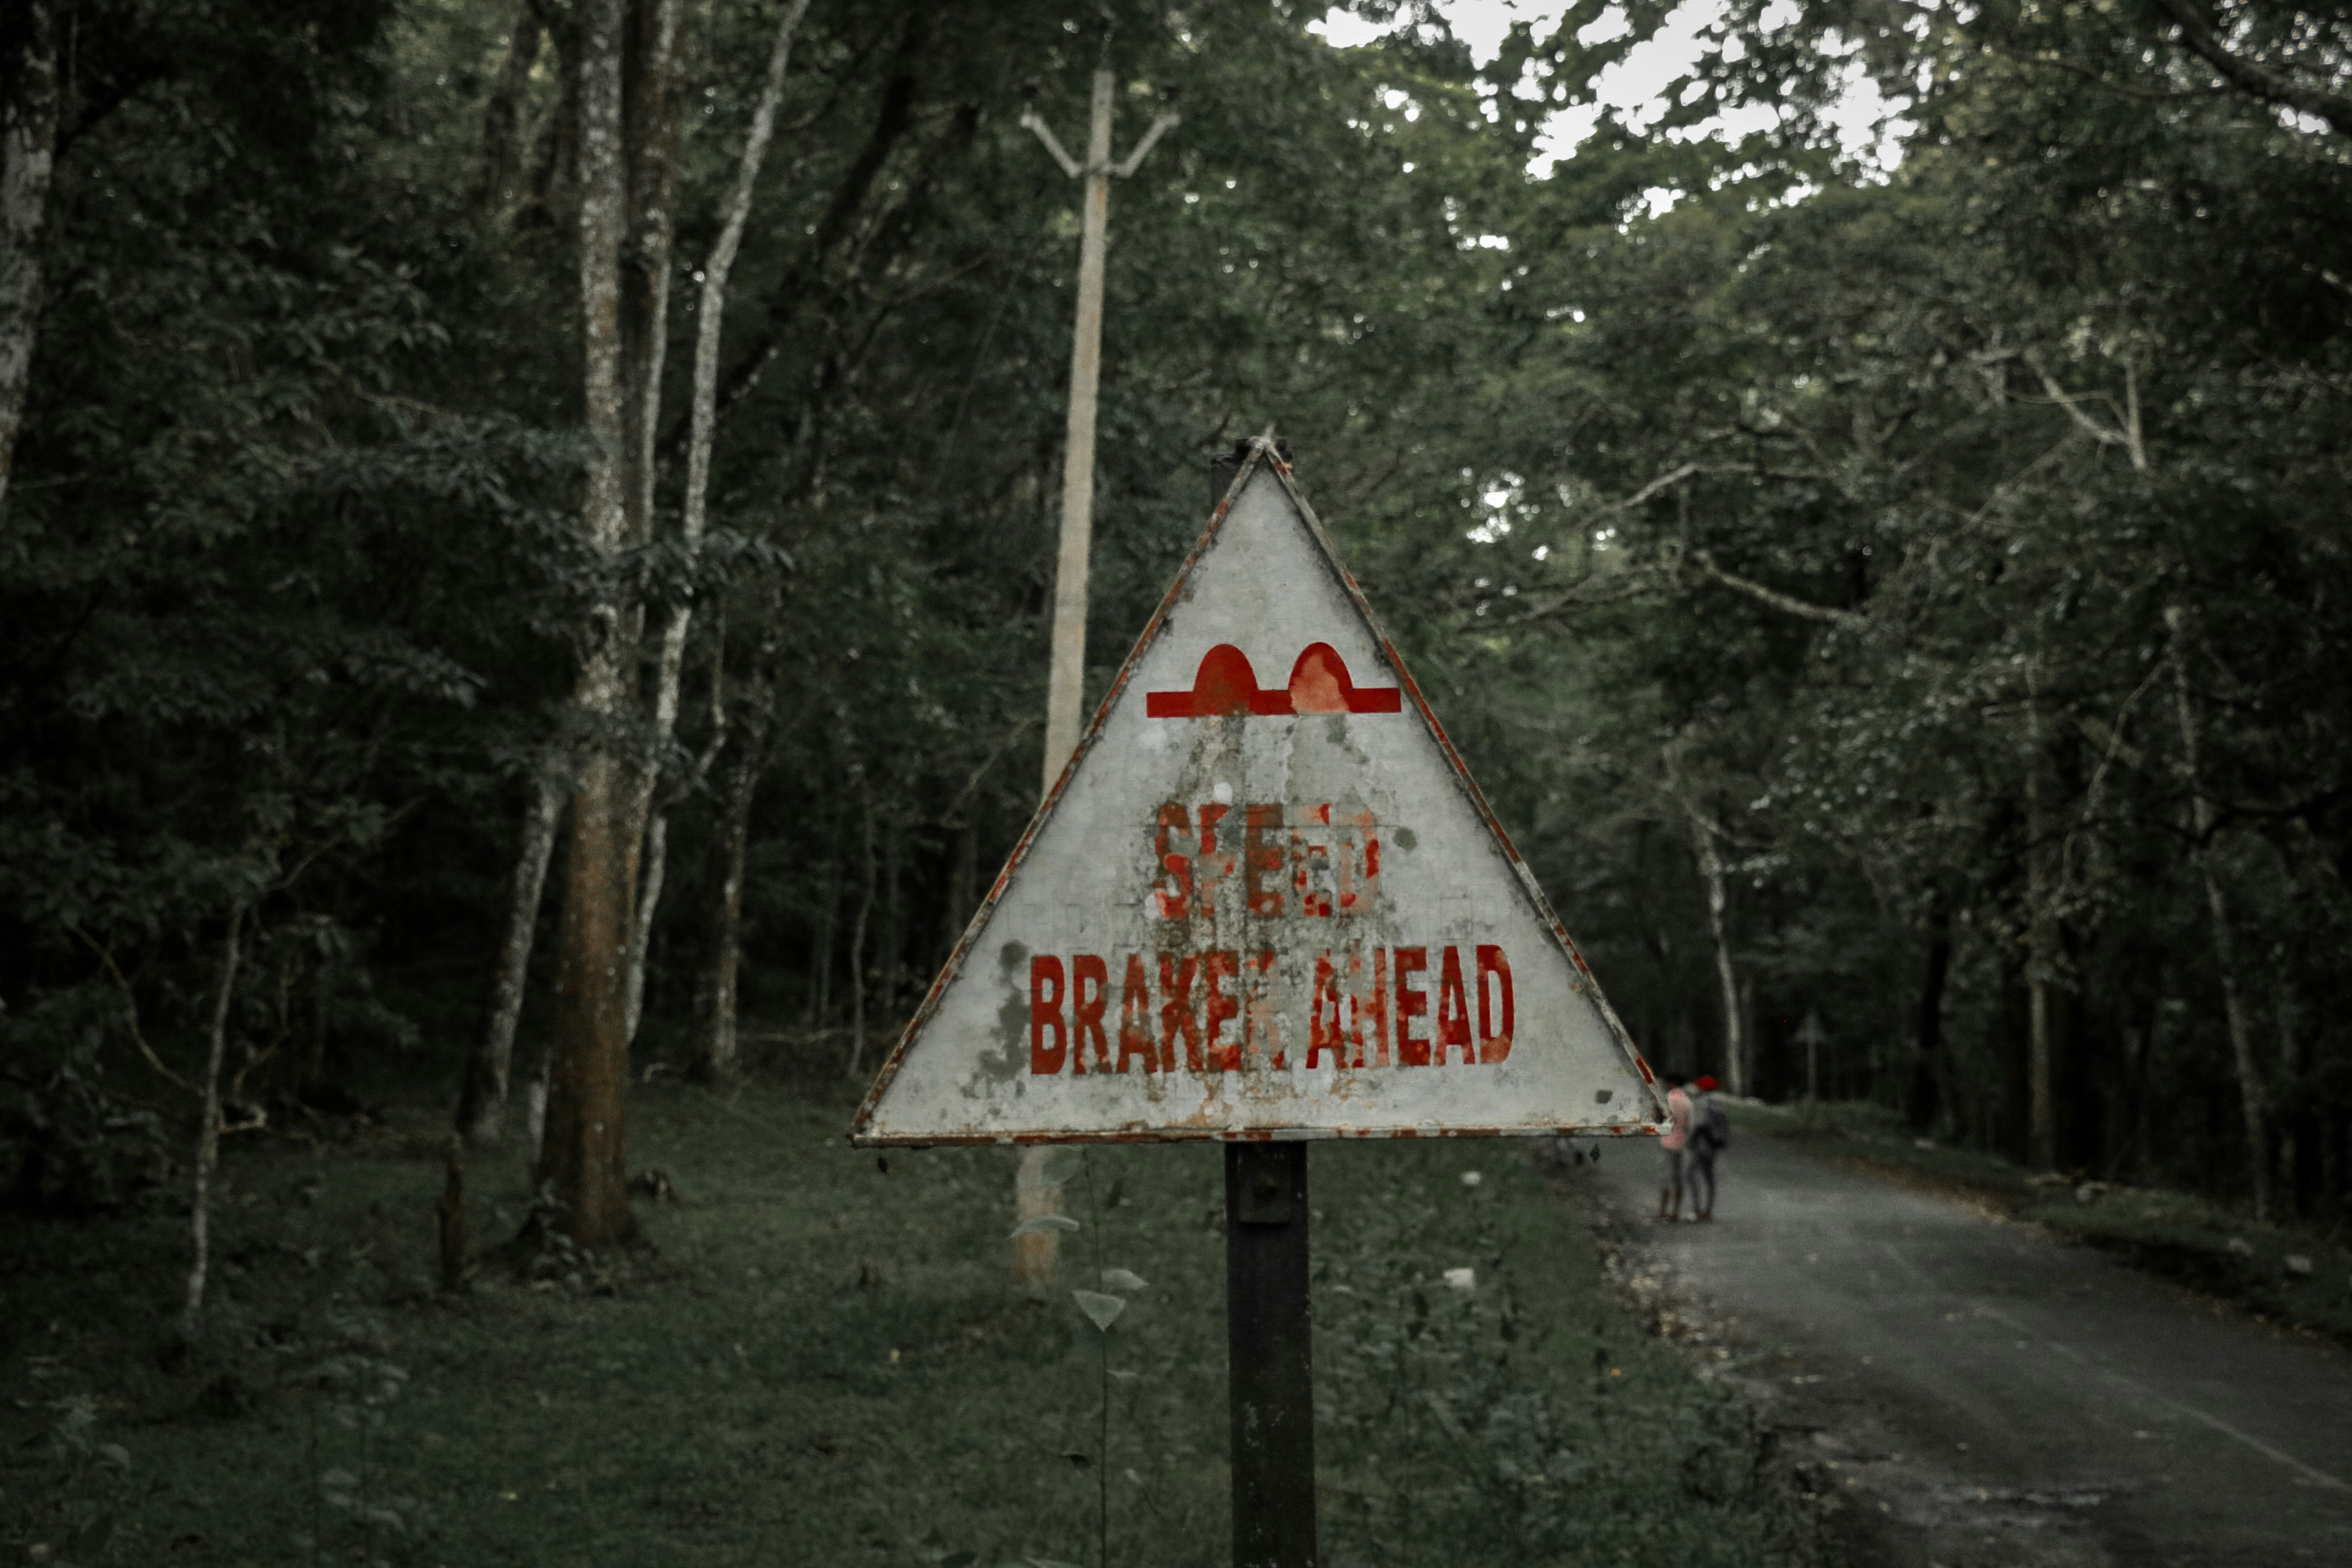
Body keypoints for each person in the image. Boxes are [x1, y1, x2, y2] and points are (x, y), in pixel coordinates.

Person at [1687, 1073, 1728, 1220]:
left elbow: (1699, 1125)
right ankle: (1708, 1210)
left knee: (1691, 1175)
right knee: (1709, 1177)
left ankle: (1697, 1210)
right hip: (1713, 1145)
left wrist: (1690, 1141)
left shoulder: (1701, 1103)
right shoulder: (1717, 1104)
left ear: (1703, 1089)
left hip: (1702, 1144)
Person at [1657, 1072, 1694, 1222]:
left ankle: (1663, 1210)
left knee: (1666, 1178)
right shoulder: (1687, 1102)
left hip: (1667, 1142)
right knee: (1678, 1178)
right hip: (1680, 1143)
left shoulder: (1668, 1100)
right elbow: (1689, 1125)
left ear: (1671, 1083)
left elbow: (1659, 1119)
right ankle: (1676, 1211)